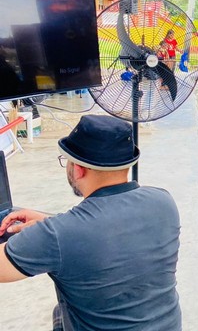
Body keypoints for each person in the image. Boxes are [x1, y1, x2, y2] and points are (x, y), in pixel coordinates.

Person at [0, 114, 182, 330]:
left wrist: (44, 231)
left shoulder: (58, 235)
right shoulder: (164, 201)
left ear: (78, 169)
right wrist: (48, 223)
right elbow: (106, 232)